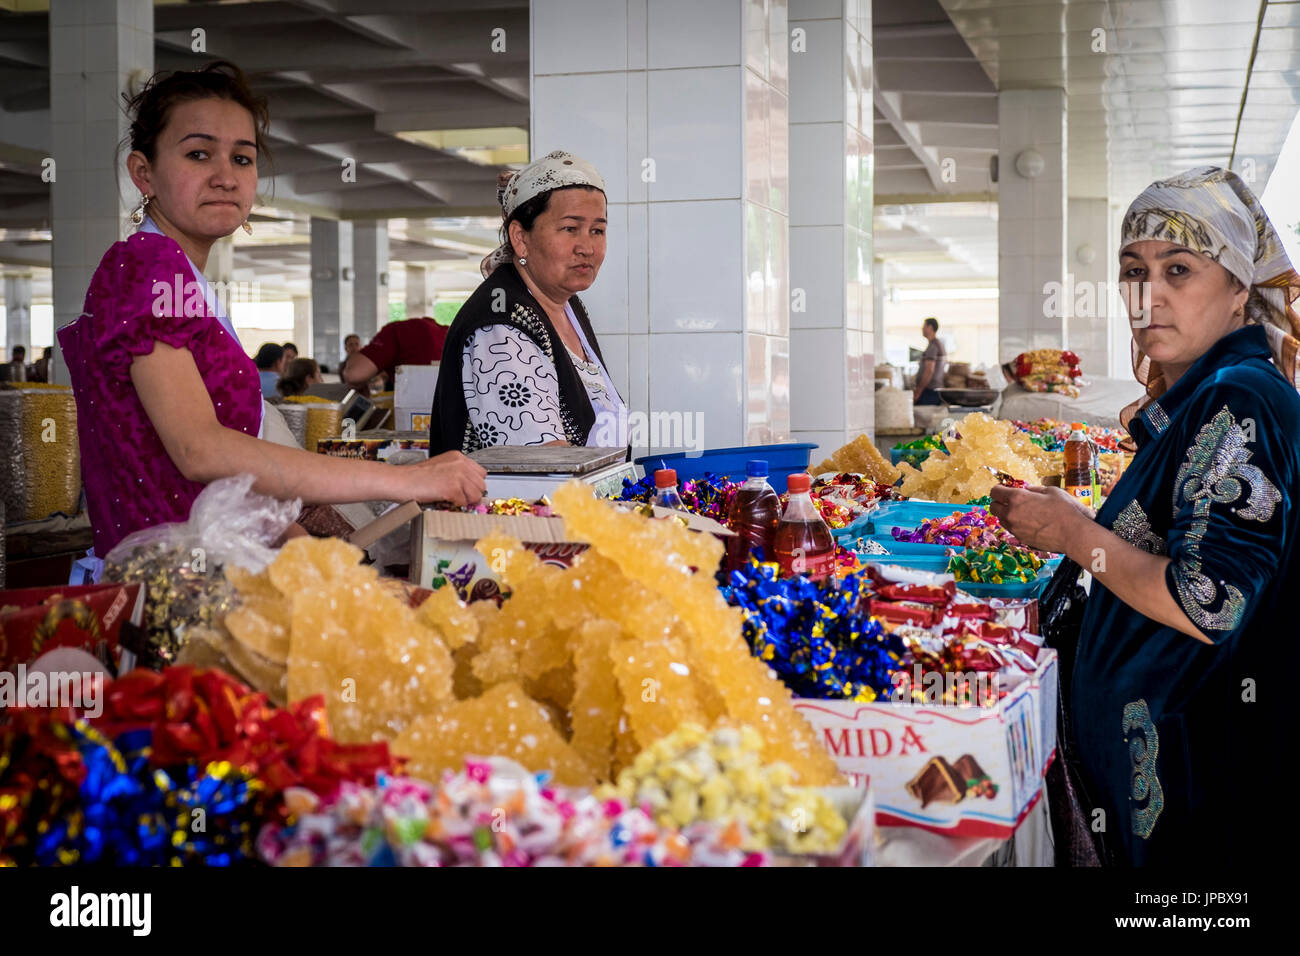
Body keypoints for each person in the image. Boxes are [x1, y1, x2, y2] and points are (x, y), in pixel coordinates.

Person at [989, 167, 1299, 868]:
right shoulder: (1210, 394)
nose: (1147, 295)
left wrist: (1073, 533)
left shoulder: (1240, 401)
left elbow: (1208, 603)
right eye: (1133, 271)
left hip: (1201, 803)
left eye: (1179, 270)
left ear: (1239, 288)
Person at [57, 60, 485, 566]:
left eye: (242, 159)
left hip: (207, 571)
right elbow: (201, 451)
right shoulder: (148, 264)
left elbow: (219, 469)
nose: (224, 176)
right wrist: (403, 478)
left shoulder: (184, 278)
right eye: (198, 154)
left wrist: (296, 540)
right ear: (143, 172)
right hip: (174, 591)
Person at [430, 151, 627, 453]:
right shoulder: (499, 327)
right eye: (570, 229)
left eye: (597, 231)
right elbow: (540, 463)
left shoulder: (570, 307)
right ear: (521, 238)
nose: (587, 247)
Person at [342, 317, 447, 394]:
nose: (354, 347)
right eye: (350, 345)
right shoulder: (448, 335)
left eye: (356, 344)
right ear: (345, 348)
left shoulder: (397, 331)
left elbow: (354, 374)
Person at [913, 317, 946, 404]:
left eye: (924, 326)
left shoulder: (933, 346)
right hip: (933, 391)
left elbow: (929, 370)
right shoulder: (937, 344)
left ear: (930, 327)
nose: (922, 329)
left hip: (930, 392)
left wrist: (919, 391)